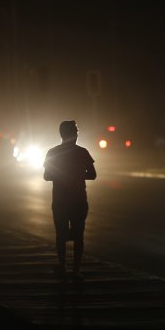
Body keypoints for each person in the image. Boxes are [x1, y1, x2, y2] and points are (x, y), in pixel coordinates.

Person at [44, 120, 97, 281]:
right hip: (79, 199)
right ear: (74, 134)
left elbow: (46, 176)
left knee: (61, 234)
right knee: (78, 235)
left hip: (60, 200)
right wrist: (78, 176)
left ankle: (62, 266)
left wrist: (61, 177)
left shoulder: (52, 152)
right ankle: (76, 270)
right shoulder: (83, 152)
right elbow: (93, 175)